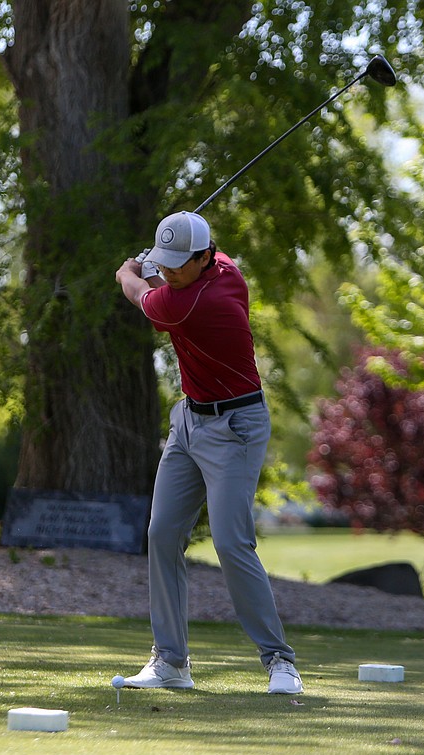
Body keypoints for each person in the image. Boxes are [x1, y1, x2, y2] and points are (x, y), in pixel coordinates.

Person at [113, 211, 303, 695]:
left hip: (237, 427)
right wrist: (159, 264)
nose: (172, 270)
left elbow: (141, 294)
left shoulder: (195, 301)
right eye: (167, 262)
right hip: (190, 420)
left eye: (181, 263)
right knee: (162, 532)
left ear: (203, 257)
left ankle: (280, 662)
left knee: (231, 541)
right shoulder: (224, 267)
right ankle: (171, 662)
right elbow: (166, 279)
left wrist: (128, 270)